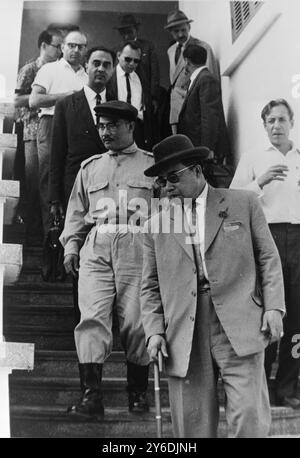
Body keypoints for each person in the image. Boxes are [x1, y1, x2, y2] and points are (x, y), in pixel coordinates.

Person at [141, 134, 285, 438]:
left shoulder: (243, 203)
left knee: (249, 417)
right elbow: (149, 286)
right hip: (185, 329)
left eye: (172, 178)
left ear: (196, 169)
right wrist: (154, 331)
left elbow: (268, 258)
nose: (166, 187)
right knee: (192, 425)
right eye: (161, 181)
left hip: (240, 321)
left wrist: (273, 307)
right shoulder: (155, 226)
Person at [60, 101, 154, 419]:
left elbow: (170, 215)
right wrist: (71, 247)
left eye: (113, 125)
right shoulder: (90, 168)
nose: (105, 132)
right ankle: (91, 397)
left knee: (137, 322)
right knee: (91, 319)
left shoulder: (153, 165)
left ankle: (138, 394)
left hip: (138, 245)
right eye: (101, 125)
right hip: (97, 246)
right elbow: (76, 212)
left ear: (131, 126)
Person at [230, 99, 300, 410]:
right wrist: (260, 181)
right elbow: (231, 201)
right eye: (270, 120)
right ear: (264, 125)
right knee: (267, 314)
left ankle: (287, 387)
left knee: (298, 320)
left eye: (281, 120)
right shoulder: (254, 157)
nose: (276, 126)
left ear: (291, 123)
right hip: (267, 239)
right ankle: (262, 388)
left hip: (299, 239)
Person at [49, 46, 115, 320]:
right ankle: (82, 316)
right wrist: (55, 198)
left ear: (112, 70)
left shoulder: (119, 104)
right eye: (96, 63)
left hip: (112, 190)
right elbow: (57, 153)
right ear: (86, 66)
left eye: (107, 65)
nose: (101, 69)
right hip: (77, 189)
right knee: (78, 251)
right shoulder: (67, 104)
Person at [29, 30, 88, 244]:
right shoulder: (50, 68)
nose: (76, 50)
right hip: (51, 124)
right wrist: (65, 98)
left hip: (78, 130)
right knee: (49, 181)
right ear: (63, 47)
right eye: (71, 45)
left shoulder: (87, 74)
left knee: (74, 182)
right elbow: (34, 101)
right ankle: (51, 241)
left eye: (81, 47)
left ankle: (70, 242)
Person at [14, 28, 63, 244]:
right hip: (32, 131)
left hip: (51, 131)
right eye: (57, 46)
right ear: (44, 46)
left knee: (48, 181)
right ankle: (31, 231)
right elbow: (16, 100)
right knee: (33, 181)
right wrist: (43, 98)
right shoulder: (30, 69)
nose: (60, 51)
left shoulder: (58, 70)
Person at [164, 9, 218, 134]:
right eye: (176, 31)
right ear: (170, 32)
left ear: (189, 27)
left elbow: (210, 81)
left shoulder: (202, 47)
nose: (180, 34)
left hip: (193, 106)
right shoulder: (171, 50)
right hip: (175, 107)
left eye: (183, 29)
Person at [177, 44, 231, 165]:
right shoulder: (201, 78)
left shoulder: (205, 79)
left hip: (204, 150)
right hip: (199, 148)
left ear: (186, 61)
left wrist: (207, 148)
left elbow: (210, 117)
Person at [107, 40, 153, 149]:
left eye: (136, 61)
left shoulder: (140, 77)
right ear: (118, 56)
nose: (132, 64)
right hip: (116, 128)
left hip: (137, 130)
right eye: (127, 59)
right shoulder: (109, 77)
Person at [114, 13, 160, 114]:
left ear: (136, 30)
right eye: (123, 33)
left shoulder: (148, 47)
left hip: (144, 95)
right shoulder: (118, 50)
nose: (126, 36)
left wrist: (154, 97)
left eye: (129, 32)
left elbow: (154, 74)